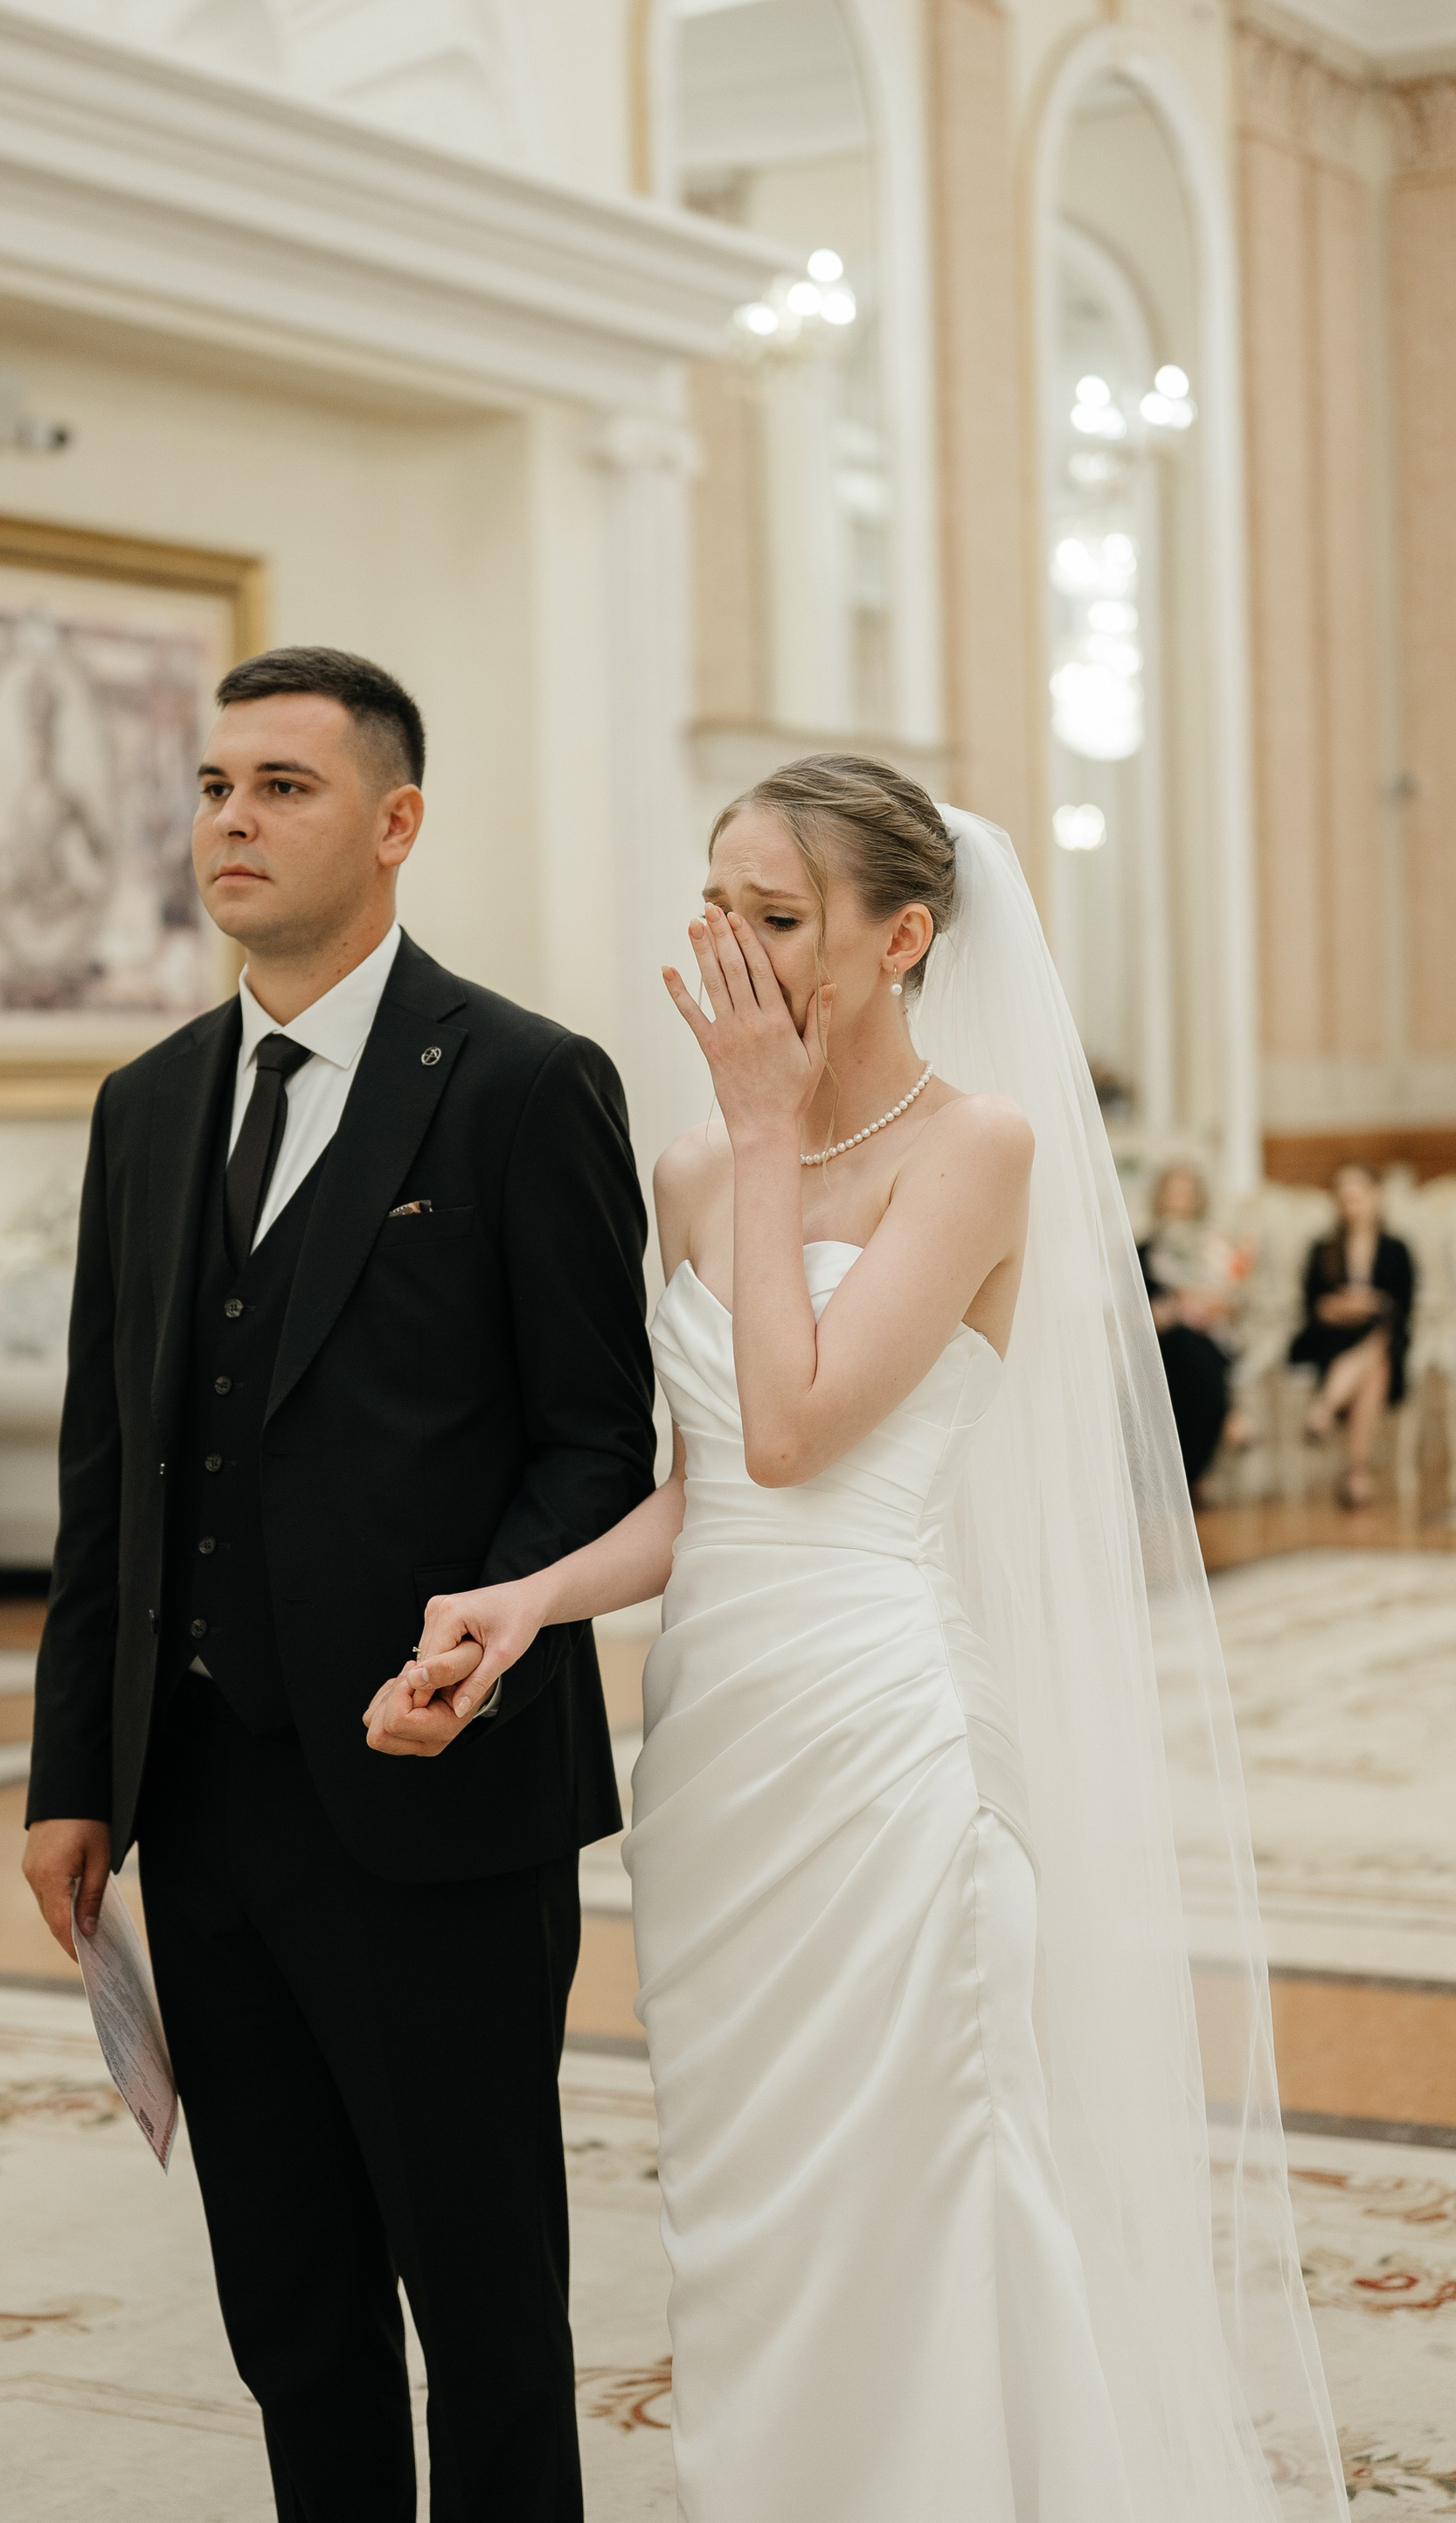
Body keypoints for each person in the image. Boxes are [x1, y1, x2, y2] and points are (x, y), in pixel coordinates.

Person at [376, 759, 1345, 2522]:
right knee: (748, 2209)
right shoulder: (689, 1172)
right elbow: (705, 1494)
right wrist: (530, 1600)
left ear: (902, 940)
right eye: (716, 905)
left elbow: (799, 1431)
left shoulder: (976, 1149)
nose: (731, 950)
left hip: (886, 1744)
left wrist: (764, 1136)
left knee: (929, 2189)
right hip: (719, 1753)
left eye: (777, 915)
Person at [21, 645, 656, 2523]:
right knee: (290, 2311)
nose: (233, 820)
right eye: (216, 786)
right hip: (204, 1803)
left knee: (484, 2302)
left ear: (396, 823)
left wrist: (484, 1642)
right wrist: (72, 1777)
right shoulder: (147, 1106)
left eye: (284, 787)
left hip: (435, 1795)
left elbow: (595, 1446)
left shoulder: (525, 1083)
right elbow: (105, 1472)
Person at [1288, 1160, 1415, 1509]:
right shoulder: (1322, 1249)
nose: (1351, 1204)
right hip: (1331, 1340)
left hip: (1382, 1338)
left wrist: (1371, 1304)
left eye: (1357, 1196)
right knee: (1377, 1358)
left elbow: (1403, 1307)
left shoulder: (1396, 1249)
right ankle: (1357, 1474)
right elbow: (1312, 1306)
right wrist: (1342, 1308)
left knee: (1379, 1350)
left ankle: (1326, 1407)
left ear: (1375, 1197)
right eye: (1344, 1197)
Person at [1138, 1162, 1249, 1493]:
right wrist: (1178, 1310)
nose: (1179, 1200)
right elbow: (1142, 1313)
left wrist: (1208, 1306)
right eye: (1173, 1193)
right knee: (1185, 1348)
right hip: (1164, 1345)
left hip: (1210, 1340)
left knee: (1196, 1354)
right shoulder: (1144, 1251)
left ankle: (1191, 1476)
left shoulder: (1213, 1246)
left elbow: (1230, 1302)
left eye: (1186, 1193)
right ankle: (1226, 1421)